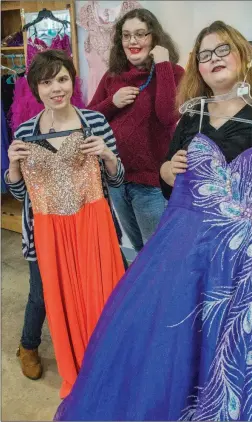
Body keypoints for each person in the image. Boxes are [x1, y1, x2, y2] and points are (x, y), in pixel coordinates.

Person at [54, 22, 252, 421]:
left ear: (242, 56)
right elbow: (171, 183)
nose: (213, 60)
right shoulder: (191, 118)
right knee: (183, 346)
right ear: (198, 69)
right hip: (193, 255)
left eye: (222, 50)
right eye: (204, 55)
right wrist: (167, 171)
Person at [5, 50, 125, 398]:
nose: (56, 88)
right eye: (47, 82)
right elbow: (19, 191)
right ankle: (29, 346)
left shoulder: (95, 123)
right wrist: (12, 167)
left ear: (72, 81)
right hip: (43, 229)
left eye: (62, 79)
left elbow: (117, 180)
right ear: (36, 88)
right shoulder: (26, 131)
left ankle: (100, 357)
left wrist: (107, 155)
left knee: (99, 292)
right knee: (42, 294)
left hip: (92, 226)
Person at [88, 8, 184, 253]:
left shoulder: (173, 73)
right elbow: (87, 120)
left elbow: (167, 115)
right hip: (117, 178)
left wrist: (162, 63)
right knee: (141, 249)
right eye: (126, 35)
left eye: (140, 34)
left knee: (158, 252)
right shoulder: (113, 77)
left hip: (151, 182)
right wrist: (112, 102)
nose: (133, 41)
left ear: (154, 38)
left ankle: (162, 292)